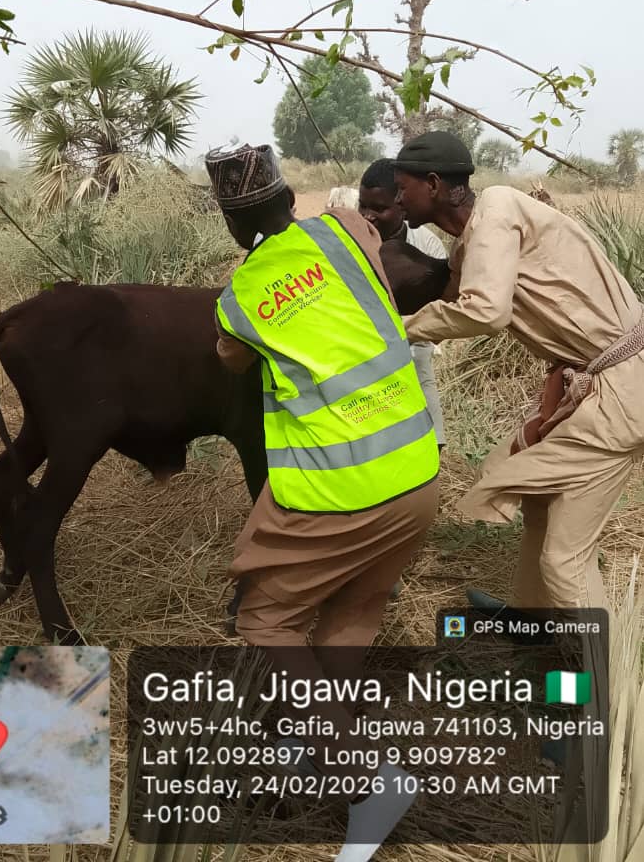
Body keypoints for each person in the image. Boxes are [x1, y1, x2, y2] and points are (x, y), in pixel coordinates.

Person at [205, 142, 439, 860]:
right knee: (352, 610)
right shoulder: (347, 229)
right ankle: (329, 748)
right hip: (416, 468)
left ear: (232, 224)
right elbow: (373, 241)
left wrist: (251, 274)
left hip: (341, 485)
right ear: (288, 195)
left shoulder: (242, 295)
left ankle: (369, 778)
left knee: (266, 618)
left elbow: (230, 355)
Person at [391, 130, 644, 615]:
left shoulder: (499, 208)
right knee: (540, 505)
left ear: (434, 183)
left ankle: (608, 683)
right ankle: (532, 621)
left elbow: (485, 311)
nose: (399, 198)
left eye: (403, 187)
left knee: (565, 559)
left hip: (623, 389)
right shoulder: (474, 241)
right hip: (601, 382)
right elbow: (456, 292)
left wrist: (402, 328)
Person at [357, 158, 447, 449]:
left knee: (420, 370)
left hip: (414, 336)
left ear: (401, 204)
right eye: (363, 206)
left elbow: (438, 312)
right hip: (364, 343)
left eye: (379, 208)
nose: (367, 216)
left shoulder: (427, 245)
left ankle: (434, 445)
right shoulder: (350, 243)